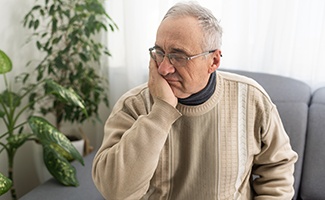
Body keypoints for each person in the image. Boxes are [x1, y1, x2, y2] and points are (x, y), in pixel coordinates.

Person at [92, 2, 298, 199]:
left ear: (214, 60)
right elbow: (115, 192)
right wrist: (160, 113)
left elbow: (278, 168)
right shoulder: (133, 105)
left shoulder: (252, 99)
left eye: (178, 56)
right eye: (159, 53)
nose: (163, 68)